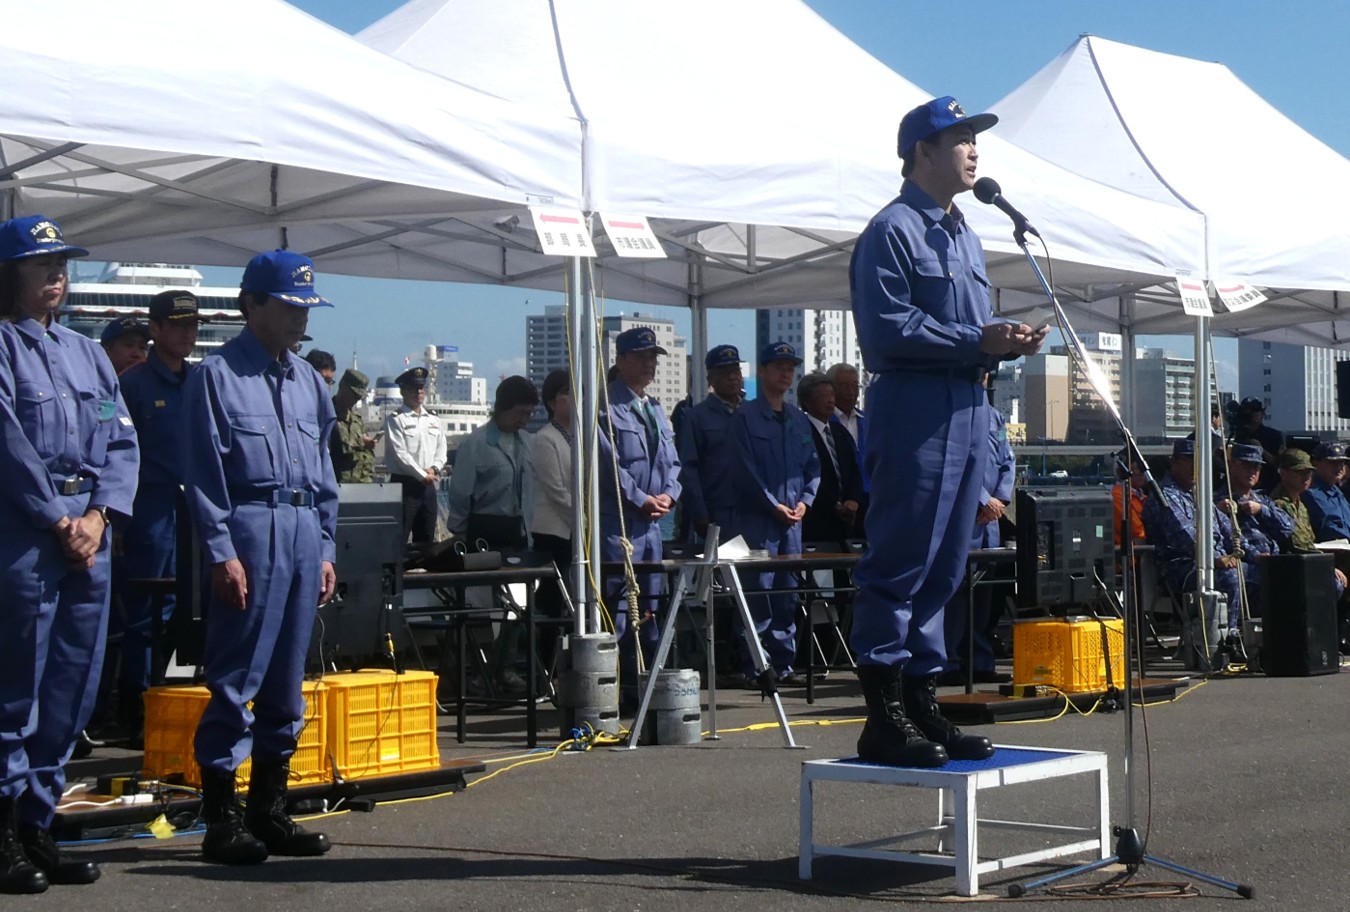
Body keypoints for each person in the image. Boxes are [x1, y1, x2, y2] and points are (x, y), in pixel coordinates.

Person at [847, 96, 1045, 767]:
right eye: (957, 137)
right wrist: (975, 337)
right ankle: (884, 714)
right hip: (915, 410)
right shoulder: (892, 229)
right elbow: (887, 330)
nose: (973, 149)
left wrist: (1004, 342)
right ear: (920, 153)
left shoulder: (964, 232)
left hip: (969, 409)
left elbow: (967, 334)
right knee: (901, 560)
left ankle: (921, 698)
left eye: (974, 138)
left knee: (945, 565)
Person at [182, 249, 337, 865]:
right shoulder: (216, 375)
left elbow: (326, 472)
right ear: (253, 304)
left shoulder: (307, 382)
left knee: (287, 679)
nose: (301, 317)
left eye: (306, 306)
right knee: (235, 674)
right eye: (290, 305)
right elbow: (203, 473)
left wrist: (326, 546)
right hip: (249, 528)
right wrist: (221, 551)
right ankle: (220, 817)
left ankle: (269, 810)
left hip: (302, 529)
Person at [0, 215, 138, 893]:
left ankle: (37, 825)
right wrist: (61, 518)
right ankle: (2, 832)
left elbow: (120, 438)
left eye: (61, 264)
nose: (55, 275)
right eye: (39, 264)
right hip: (27, 535)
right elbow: (8, 445)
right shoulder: (1, 345)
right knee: (15, 686)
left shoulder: (87, 354)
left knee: (72, 688)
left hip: (89, 534)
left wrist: (99, 514)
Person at [115, 289, 209, 738]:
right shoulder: (131, 384)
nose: (188, 334)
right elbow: (113, 454)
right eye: (178, 325)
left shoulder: (198, 382)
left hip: (192, 512)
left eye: (193, 326)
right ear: (155, 329)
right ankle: (136, 706)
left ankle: (176, 699)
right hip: (148, 511)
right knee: (146, 614)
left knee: (191, 610)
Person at [598, 326, 681, 710]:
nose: (650, 364)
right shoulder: (604, 407)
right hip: (621, 526)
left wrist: (668, 494)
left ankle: (646, 690)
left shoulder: (655, 409)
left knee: (650, 608)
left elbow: (673, 463)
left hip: (651, 529)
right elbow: (607, 465)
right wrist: (640, 498)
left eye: (654, 357)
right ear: (621, 360)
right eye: (643, 356)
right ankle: (617, 695)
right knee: (618, 610)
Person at [731, 342, 820, 684]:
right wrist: (772, 505)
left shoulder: (798, 419)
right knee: (757, 595)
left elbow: (813, 466)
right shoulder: (745, 416)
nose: (785, 373)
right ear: (764, 371)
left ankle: (783, 666)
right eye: (778, 367)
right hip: (757, 522)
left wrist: (805, 502)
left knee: (787, 596)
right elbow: (743, 470)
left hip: (792, 525)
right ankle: (756, 667)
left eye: (790, 368)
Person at [446, 375, 538, 693]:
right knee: (480, 606)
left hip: (517, 531)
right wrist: (460, 534)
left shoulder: (527, 443)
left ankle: (506, 669)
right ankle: (474, 673)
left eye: (529, 414)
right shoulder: (476, 445)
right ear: (501, 409)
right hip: (483, 531)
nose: (525, 419)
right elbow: (459, 495)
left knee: (518, 603)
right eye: (520, 413)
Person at [1141, 438, 1242, 670]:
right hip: (1182, 568)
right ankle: (1228, 642)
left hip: (1215, 561)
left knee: (1265, 574)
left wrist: (1238, 552)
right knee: (1230, 578)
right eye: (1188, 461)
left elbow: (1230, 531)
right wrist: (1216, 559)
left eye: (1198, 462)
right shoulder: (1164, 496)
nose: (1193, 467)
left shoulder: (1201, 495)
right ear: (1174, 462)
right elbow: (1186, 539)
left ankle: (1254, 640)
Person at [942, 393, 1015, 686]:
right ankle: (948, 661)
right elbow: (955, 465)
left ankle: (980, 660)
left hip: (990, 523)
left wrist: (999, 498)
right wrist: (983, 499)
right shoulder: (954, 413)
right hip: (965, 518)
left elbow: (1007, 459)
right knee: (956, 595)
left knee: (985, 596)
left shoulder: (995, 416)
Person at [1216, 442, 1294, 623]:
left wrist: (1262, 510)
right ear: (1231, 465)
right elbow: (1230, 537)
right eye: (1246, 465)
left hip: (1272, 560)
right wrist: (1255, 555)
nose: (1252, 471)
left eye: (1256, 466)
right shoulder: (1220, 502)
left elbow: (1288, 527)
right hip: (1247, 563)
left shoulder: (1262, 500)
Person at [529, 369, 574, 672]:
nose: (573, 400)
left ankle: (569, 667)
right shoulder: (545, 439)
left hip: (576, 532)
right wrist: (585, 522)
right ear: (551, 401)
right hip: (554, 532)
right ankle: (544, 670)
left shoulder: (581, 435)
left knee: (577, 605)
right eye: (566, 394)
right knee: (552, 604)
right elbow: (556, 491)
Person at [677, 344, 744, 544]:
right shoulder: (696, 417)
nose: (732, 377)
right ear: (711, 380)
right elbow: (688, 468)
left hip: (753, 512)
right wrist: (699, 514)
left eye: (736, 371)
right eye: (725, 372)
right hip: (717, 512)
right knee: (719, 574)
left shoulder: (753, 413)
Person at [384, 367, 446, 545]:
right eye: (413, 388)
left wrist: (434, 468)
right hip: (405, 485)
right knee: (399, 538)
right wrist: (421, 474)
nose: (418, 392)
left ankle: (422, 571)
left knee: (426, 537)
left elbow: (441, 449)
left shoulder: (433, 419)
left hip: (428, 486)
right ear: (403, 391)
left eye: (421, 388)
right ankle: (397, 573)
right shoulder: (396, 419)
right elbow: (400, 454)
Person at [798, 371, 861, 545]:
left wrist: (853, 499)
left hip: (847, 521)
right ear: (807, 401)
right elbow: (807, 474)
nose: (830, 400)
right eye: (823, 396)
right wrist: (834, 504)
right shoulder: (801, 431)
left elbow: (853, 469)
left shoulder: (839, 431)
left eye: (832, 394)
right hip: (818, 518)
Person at [827, 362, 869, 530]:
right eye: (845, 386)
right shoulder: (825, 422)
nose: (851, 392)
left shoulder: (868, 421)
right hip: (842, 505)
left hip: (872, 501)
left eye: (855, 385)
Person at [330, 368, 376, 483]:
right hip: (336, 484)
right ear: (343, 388)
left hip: (359, 486)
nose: (356, 400)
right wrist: (361, 443)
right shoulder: (327, 416)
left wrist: (367, 480)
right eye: (354, 395)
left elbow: (366, 457)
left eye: (359, 397)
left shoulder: (356, 421)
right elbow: (333, 449)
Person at [1302, 441, 1350, 542]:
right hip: (1332, 551)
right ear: (1316, 464)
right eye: (1333, 463)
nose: (1339, 467)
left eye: (1342, 463)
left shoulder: (1337, 492)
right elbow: (1330, 527)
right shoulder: (1311, 492)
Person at [1233, 397, 1283, 491]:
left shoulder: (1274, 435)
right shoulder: (1240, 435)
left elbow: (1280, 465)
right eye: (1247, 414)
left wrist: (1261, 450)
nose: (1251, 416)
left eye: (1254, 412)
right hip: (1242, 486)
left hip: (1268, 486)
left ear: (1262, 414)